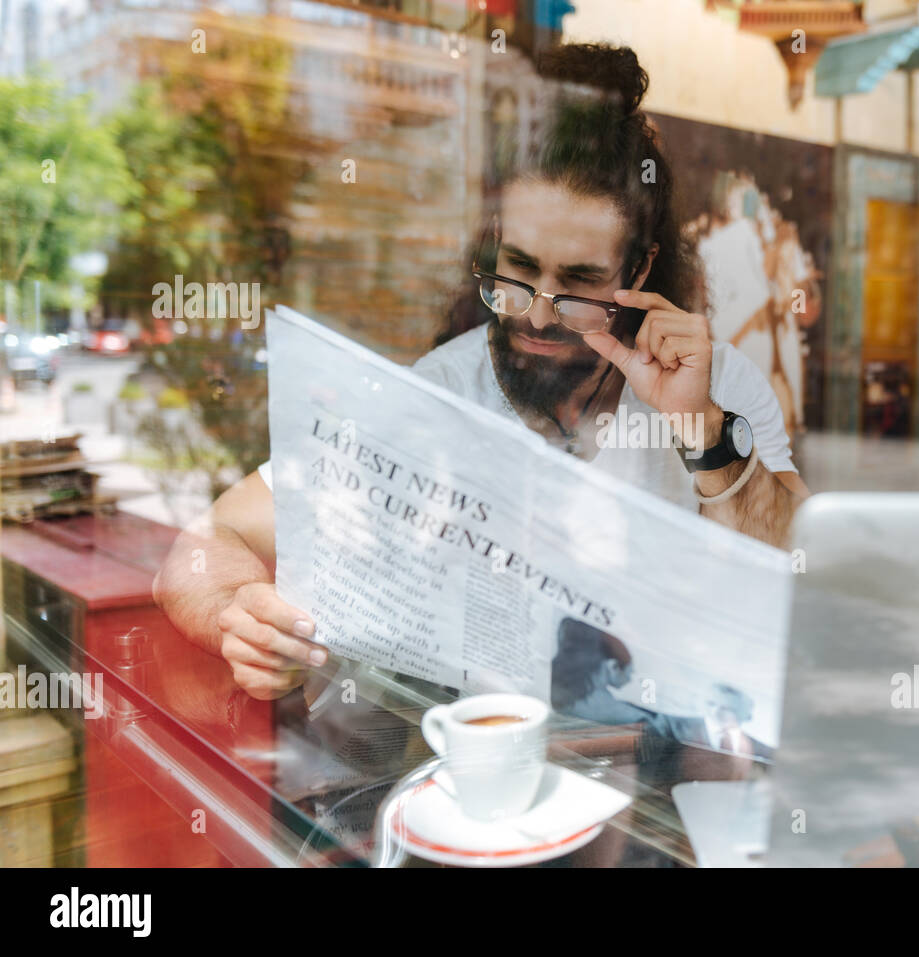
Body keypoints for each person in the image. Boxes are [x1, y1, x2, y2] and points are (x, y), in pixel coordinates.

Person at [153, 43, 810, 701]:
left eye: (579, 283)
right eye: (519, 269)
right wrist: (240, 612)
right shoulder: (438, 393)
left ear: (637, 272)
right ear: (495, 238)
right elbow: (205, 542)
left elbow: (796, 578)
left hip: (671, 779)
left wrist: (701, 429)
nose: (537, 314)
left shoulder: (716, 387)